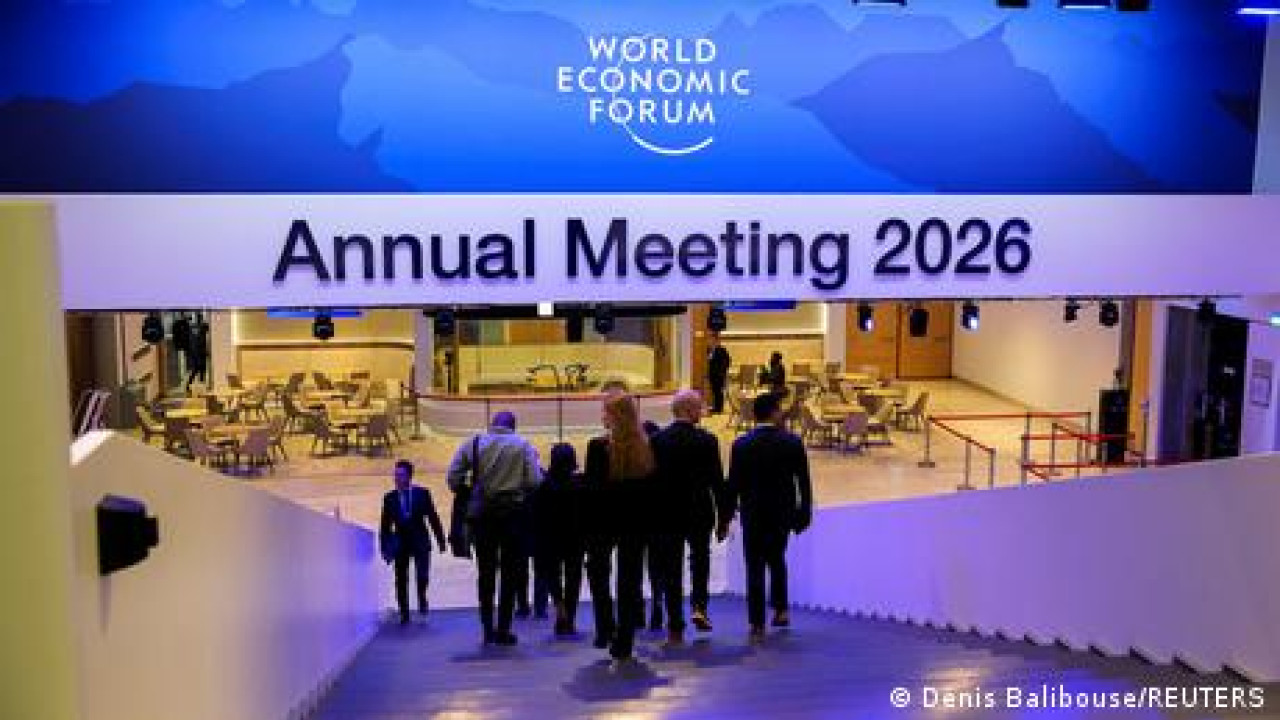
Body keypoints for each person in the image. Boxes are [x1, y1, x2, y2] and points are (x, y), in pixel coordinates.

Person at [720, 392, 813, 641]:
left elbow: (734, 483)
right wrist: (804, 512)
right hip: (782, 512)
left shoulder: (741, 444)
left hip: (753, 513)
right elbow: (803, 482)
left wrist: (725, 515)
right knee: (777, 559)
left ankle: (757, 623)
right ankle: (781, 610)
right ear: (774, 412)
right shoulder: (792, 442)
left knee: (754, 565)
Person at [447, 411, 542, 646]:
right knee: (510, 574)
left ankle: (487, 627)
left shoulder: (474, 442)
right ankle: (504, 630)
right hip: (513, 516)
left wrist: (470, 489)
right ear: (513, 426)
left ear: (492, 424)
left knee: (486, 573)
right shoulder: (522, 445)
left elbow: (453, 477)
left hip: (483, 516)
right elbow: (534, 481)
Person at [650, 389, 726, 645]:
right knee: (700, 559)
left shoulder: (658, 440)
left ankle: (675, 622)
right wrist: (723, 516)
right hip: (699, 510)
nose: (701, 412)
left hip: (667, 512)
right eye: (699, 408)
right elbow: (716, 481)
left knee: (671, 566)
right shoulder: (707, 440)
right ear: (689, 410)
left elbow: (652, 481)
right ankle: (699, 606)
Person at [584, 392, 655, 661]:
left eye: (605, 411)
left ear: (613, 416)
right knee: (629, 580)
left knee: (598, 574)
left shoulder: (597, 447)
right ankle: (625, 639)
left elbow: (592, 492)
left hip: (602, 522)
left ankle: (605, 627)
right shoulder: (646, 448)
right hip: (635, 522)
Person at [379, 460, 448, 625]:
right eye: (395, 475)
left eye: (400, 475)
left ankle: (422, 596)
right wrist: (385, 547)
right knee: (400, 578)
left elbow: (433, 517)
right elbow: (385, 525)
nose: (397, 478)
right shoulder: (389, 498)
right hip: (400, 542)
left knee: (422, 575)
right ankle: (404, 612)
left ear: (409, 476)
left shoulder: (422, 494)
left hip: (420, 539)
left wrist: (441, 540)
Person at [532, 443, 589, 636]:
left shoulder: (544, 486)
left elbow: (537, 516)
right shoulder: (580, 484)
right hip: (575, 538)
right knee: (574, 577)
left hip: (550, 538)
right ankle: (570, 617)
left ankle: (559, 607)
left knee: (552, 575)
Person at [707, 334, 732, 414]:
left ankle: (719, 408)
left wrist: (722, 371)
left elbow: (727, 361)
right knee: (714, 391)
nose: (710, 342)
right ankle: (715, 406)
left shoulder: (722, 350)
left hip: (719, 375)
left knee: (718, 392)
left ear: (716, 341)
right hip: (712, 375)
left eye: (711, 340)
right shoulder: (708, 350)